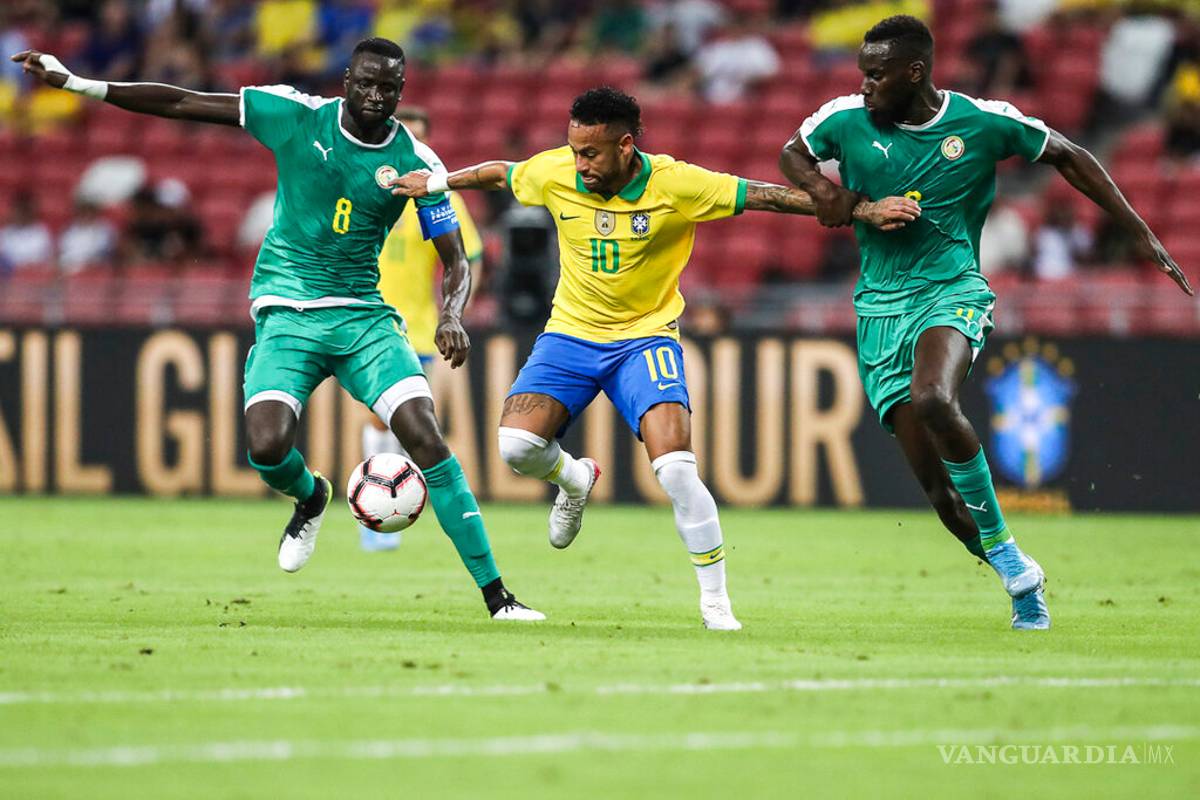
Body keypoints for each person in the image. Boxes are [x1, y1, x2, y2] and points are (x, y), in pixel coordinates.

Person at [13, 37, 544, 621]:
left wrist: (450, 315)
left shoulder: (419, 163)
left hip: (363, 319)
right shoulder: (293, 114)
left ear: (401, 91)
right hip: (287, 312)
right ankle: (312, 496)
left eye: (387, 87)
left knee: (426, 436)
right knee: (266, 447)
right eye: (365, 82)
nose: (374, 95)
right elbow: (185, 102)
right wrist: (81, 84)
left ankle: (499, 597)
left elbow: (458, 259)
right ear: (346, 79)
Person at [390, 87, 920, 630]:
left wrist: (862, 208)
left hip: (645, 339)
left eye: (590, 153)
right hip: (570, 334)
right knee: (516, 448)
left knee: (675, 470)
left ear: (625, 146)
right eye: (574, 150)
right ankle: (575, 479)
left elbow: (768, 196)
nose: (579, 164)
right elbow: (500, 173)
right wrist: (433, 182)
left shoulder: (676, 183)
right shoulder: (556, 172)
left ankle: (715, 603)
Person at [779, 15, 1193, 631]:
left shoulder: (982, 120)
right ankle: (1015, 568)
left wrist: (1140, 232)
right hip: (878, 310)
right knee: (943, 500)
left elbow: (1071, 155)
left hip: (953, 291)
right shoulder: (845, 119)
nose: (863, 85)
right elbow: (791, 154)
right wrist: (824, 189)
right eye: (862, 72)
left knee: (935, 400)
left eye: (875, 74)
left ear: (913, 72)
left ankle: (1012, 563)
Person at [359, 105, 484, 553]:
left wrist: (456, 312)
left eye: (418, 138)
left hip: (418, 328)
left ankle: (383, 510)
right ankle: (373, 521)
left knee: (410, 426)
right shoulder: (365, 184)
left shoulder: (441, 197)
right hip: (367, 323)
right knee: (380, 417)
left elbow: (468, 258)